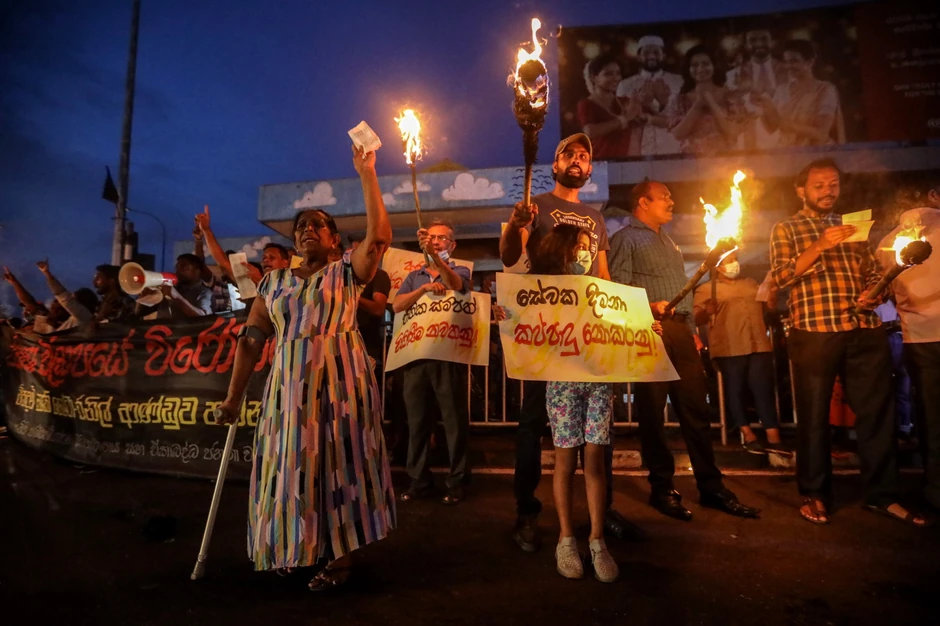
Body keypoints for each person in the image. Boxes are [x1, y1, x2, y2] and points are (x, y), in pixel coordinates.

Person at [215, 145, 395, 590]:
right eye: (301, 226)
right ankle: (296, 546)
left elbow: (379, 239)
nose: (308, 229)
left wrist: (366, 172)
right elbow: (251, 339)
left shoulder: (346, 273)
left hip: (342, 383)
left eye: (318, 224)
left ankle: (342, 556)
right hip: (289, 389)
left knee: (342, 461)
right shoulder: (273, 283)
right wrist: (233, 397)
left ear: (335, 239)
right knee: (290, 462)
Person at [500, 134, 642, 551]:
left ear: (590, 169)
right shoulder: (536, 205)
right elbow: (510, 257)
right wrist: (516, 223)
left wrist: (623, 318)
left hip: (585, 336)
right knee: (532, 424)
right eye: (569, 154)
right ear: (555, 163)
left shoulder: (595, 220)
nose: (577, 159)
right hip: (544, 333)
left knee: (598, 433)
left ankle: (603, 511)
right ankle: (527, 511)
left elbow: (603, 278)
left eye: (585, 155)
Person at [770, 158, 926, 526]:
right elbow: (781, 275)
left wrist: (876, 292)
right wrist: (820, 245)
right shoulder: (786, 228)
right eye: (819, 185)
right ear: (801, 190)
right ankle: (815, 494)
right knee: (813, 418)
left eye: (833, 184)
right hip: (814, 331)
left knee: (877, 414)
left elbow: (872, 274)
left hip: (862, 327)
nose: (828, 191)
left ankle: (883, 495)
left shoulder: (853, 227)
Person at [608, 180, 760, 521]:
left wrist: (691, 331)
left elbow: (683, 292)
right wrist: (649, 306)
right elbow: (616, 289)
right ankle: (661, 488)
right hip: (649, 332)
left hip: (679, 331)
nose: (671, 201)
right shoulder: (625, 239)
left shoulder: (670, 243)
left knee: (695, 411)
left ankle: (711, 487)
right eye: (664, 197)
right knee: (652, 415)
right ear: (642, 203)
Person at [524, 224, 619, 582]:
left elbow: (620, 324)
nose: (584, 253)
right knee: (564, 461)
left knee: (594, 460)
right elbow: (527, 324)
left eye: (588, 247)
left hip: (598, 381)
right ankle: (566, 538)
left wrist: (643, 327)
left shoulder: (601, 291)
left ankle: (597, 540)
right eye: (578, 246)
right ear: (562, 248)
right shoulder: (543, 290)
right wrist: (507, 320)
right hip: (562, 383)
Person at [393, 219, 472, 505]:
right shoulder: (415, 277)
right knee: (417, 421)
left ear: (452, 245)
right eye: (432, 238)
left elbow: (456, 285)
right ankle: (419, 480)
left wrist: (436, 260)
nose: (437, 241)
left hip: (447, 355)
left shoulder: (460, 268)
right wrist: (424, 289)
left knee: (453, 421)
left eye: (442, 239)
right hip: (416, 357)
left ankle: (458, 480)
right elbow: (398, 305)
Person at [875, 192, 940, 514]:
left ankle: (936, 490)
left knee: (931, 416)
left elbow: (885, 289)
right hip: (923, 337)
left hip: (918, 339)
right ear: (932, 196)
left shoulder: (886, 244)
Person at [693, 252, 783, 454]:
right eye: (729, 260)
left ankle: (773, 437)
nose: (735, 264)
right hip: (729, 346)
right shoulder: (706, 289)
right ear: (717, 267)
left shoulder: (751, 283)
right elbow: (695, 319)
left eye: (735, 259)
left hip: (758, 343)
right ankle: (747, 434)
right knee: (736, 390)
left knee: (763, 389)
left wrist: (771, 299)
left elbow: (768, 311)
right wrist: (706, 311)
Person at [758, 40, 844, 148]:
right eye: (786, 61)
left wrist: (782, 123)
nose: (789, 66)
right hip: (786, 153)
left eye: (794, 61)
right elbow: (771, 129)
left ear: (810, 62)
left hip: (817, 154)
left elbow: (821, 133)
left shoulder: (825, 90)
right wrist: (765, 108)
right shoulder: (781, 90)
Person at [615, 35, 683, 156]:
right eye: (646, 53)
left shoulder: (678, 81)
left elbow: (682, 117)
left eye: (656, 52)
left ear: (664, 56)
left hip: (672, 145)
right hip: (638, 148)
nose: (651, 56)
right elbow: (621, 120)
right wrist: (640, 104)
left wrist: (664, 104)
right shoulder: (626, 85)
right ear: (639, 57)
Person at [669, 45, 739, 155]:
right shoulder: (680, 99)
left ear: (714, 66)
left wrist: (711, 103)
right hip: (690, 163)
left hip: (725, 163)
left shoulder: (729, 95)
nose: (700, 69)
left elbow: (733, 132)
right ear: (688, 69)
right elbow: (678, 135)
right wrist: (697, 106)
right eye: (694, 65)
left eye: (705, 64)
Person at [725, 27, 787, 151]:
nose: (759, 44)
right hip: (748, 140)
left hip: (785, 137)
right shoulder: (733, 75)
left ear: (772, 41)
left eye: (764, 39)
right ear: (746, 44)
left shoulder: (787, 71)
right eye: (753, 40)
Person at [578, 54, 640, 159]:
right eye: (608, 74)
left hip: (626, 165)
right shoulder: (587, 104)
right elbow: (590, 132)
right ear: (594, 78)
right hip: (600, 165)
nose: (616, 78)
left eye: (618, 73)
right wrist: (624, 119)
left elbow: (644, 120)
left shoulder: (624, 102)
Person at [348, 234, 391, 371]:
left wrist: (351, 296)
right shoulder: (344, 276)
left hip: (364, 347)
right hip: (342, 345)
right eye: (352, 251)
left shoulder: (379, 276)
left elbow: (379, 308)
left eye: (358, 252)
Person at [136, 254, 213, 319]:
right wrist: (144, 298)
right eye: (177, 267)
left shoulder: (205, 292)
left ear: (197, 271)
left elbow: (204, 318)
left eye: (183, 267)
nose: (178, 271)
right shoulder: (170, 288)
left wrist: (177, 297)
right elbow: (139, 313)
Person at [33, 259, 98, 333]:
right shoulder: (74, 319)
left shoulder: (84, 316)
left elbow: (63, 296)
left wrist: (47, 273)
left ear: (82, 303)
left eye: (74, 299)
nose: (71, 300)